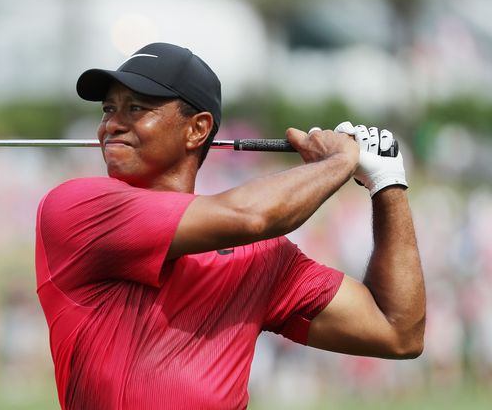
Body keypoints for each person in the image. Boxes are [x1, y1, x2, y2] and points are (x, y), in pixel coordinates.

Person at [34, 42, 425, 409]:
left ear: (197, 129)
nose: (112, 125)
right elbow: (250, 217)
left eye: (135, 109)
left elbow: (398, 331)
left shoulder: (261, 257)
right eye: (108, 110)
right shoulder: (77, 208)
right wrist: (339, 162)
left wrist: (387, 182)